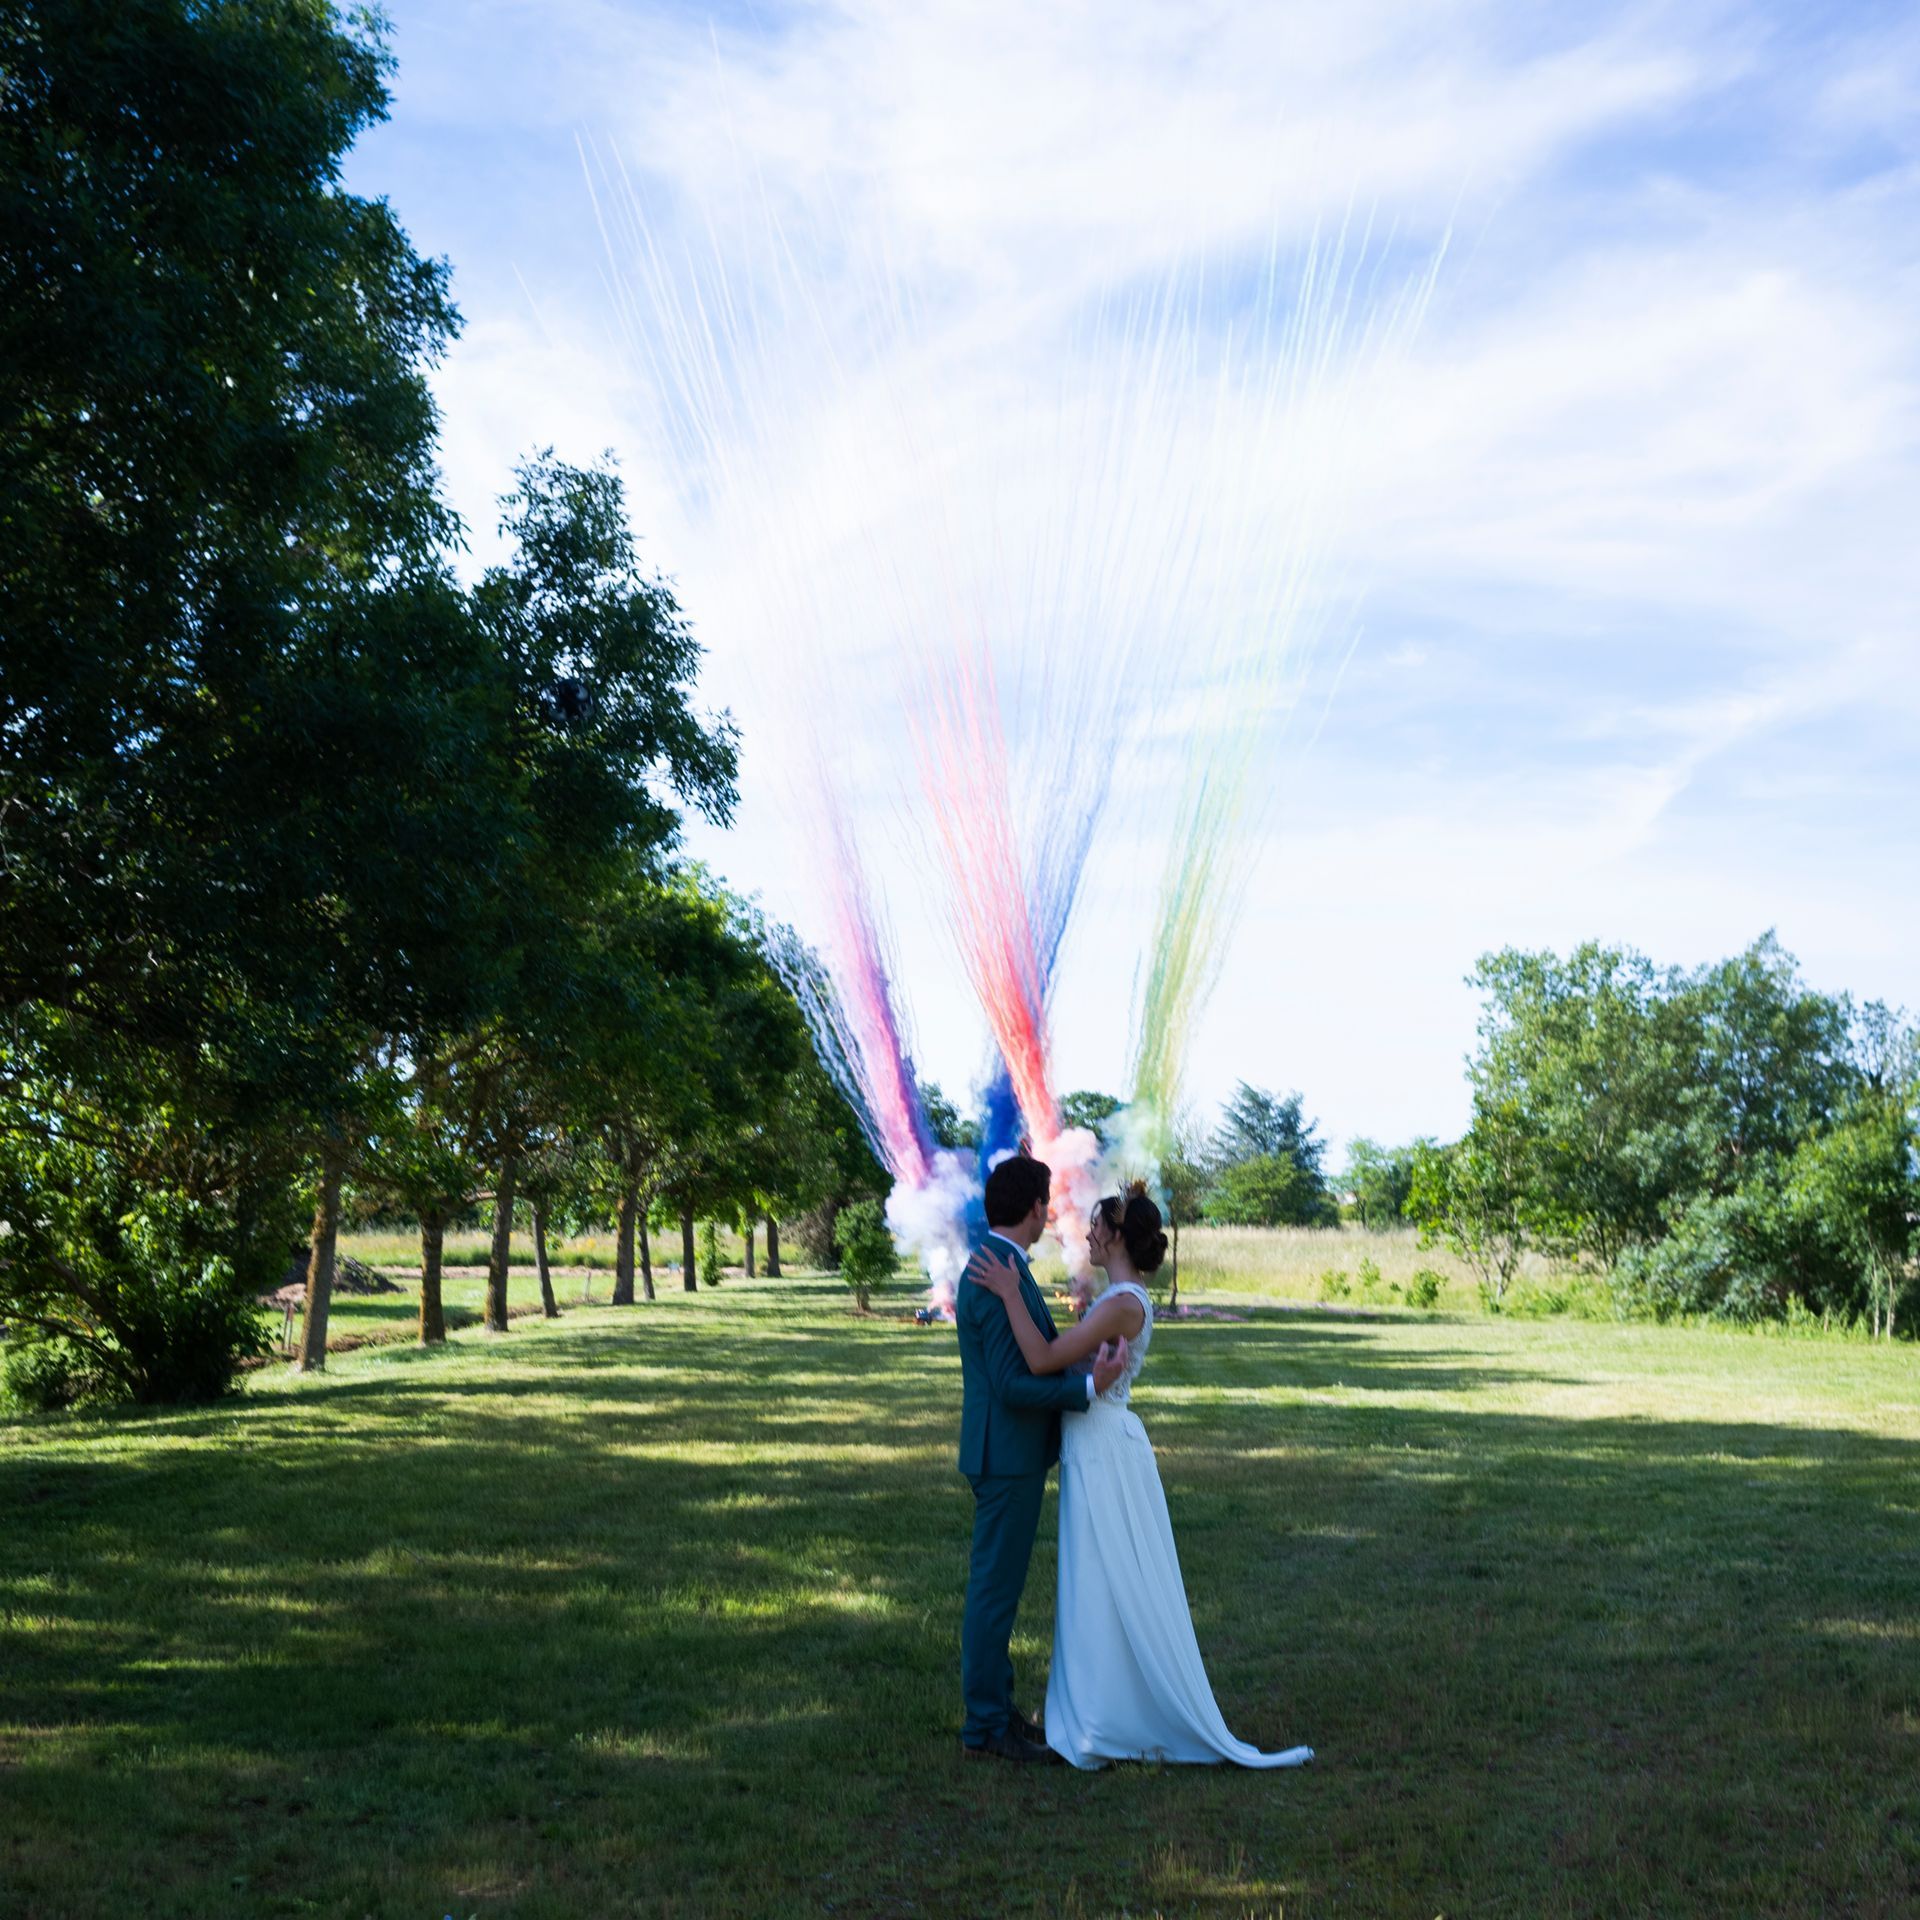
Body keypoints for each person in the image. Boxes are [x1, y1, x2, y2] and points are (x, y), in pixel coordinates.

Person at [967, 1184, 1315, 1771]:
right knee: (1096, 1579)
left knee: (1106, 1576)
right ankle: (1101, 1707)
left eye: (1098, 1227)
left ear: (1120, 1237)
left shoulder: (1123, 1303)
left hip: (1102, 1450)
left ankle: (1109, 1716)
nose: (1088, 1234)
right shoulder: (1115, 1300)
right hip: (1093, 1447)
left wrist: (1007, 1294)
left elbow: (1042, 1360)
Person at [955, 1151, 1127, 1762]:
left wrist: (1079, 1357)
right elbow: (1010, 1383)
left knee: (998, 1589)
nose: (1048, 1213)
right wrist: (1087, 1389)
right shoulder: (995, 1269)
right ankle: (984, 1728)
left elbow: (1040, 1349)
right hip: (1005, 1454)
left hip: (1010, 1451)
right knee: (994, 1594)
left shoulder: (1003, 1263)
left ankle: (997, 1713)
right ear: (1033, 1209)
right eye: (1046, 1203)